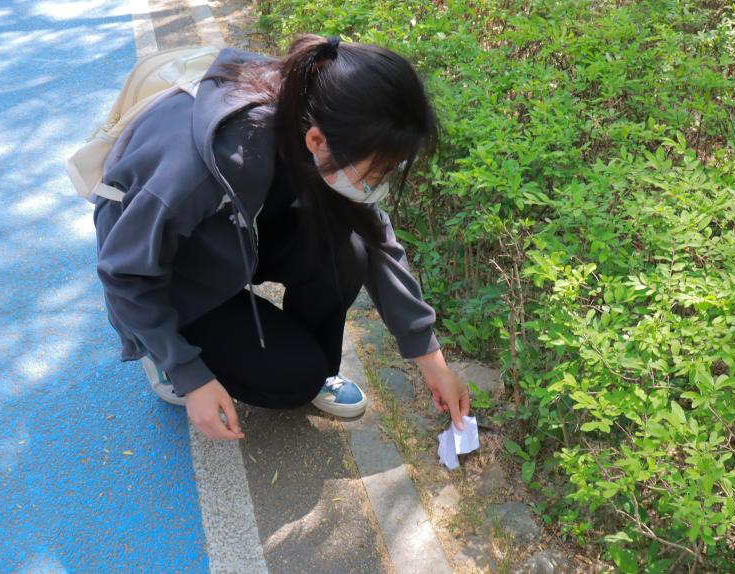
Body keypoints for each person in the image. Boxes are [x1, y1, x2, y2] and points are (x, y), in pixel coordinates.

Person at [92, 34, 470, 441]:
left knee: (348, 249)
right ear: (316, 142)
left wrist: (432, 362)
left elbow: (374, 234)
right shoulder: (197, 172)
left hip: (233, 237)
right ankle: (166, 347)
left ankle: (314, 367)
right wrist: (190, 374)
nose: (380, 184)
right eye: (377, 172)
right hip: (172, 274)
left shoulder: (317, 106)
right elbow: (124, 272)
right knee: (292, 381)